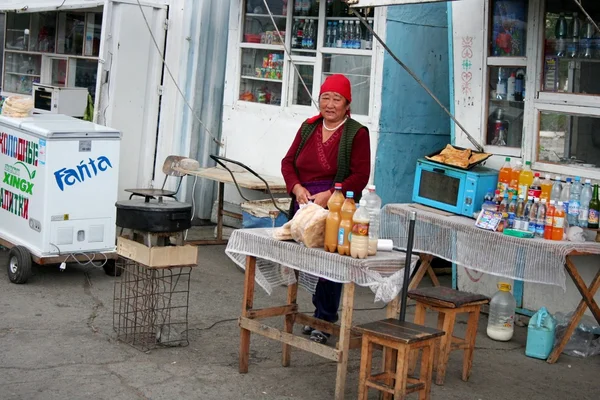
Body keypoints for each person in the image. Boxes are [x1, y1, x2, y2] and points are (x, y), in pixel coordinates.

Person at [281, 74, 371, 344]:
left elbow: (360, 176)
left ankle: (325, 318)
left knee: (331, 262)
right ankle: (314, 313)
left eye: (337, 99)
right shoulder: (308, 128)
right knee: (306, 261)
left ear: (347, 104)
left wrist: (331, 194)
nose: (330, 104)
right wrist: (297, 188)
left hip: (336, 207)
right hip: (303, 203)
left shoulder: (357, 133)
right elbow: (288, 163)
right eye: (325, 98)